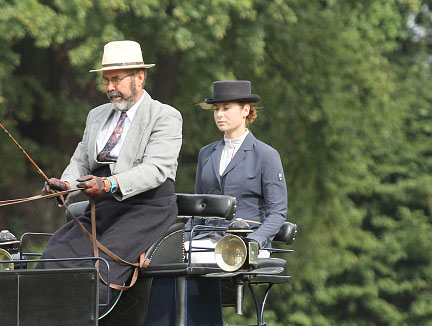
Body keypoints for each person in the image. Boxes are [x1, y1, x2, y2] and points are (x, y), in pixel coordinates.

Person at [40, 40, 182, 289]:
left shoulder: (165, 116)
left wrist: (108, 184)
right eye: (106, 81)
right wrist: (64, 185)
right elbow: (80, 161)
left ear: (139, 77)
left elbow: (155, 170)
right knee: (53, 257)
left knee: (99, 270)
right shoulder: (96, 116)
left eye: (116, 80)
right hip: (102, 209)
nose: (110, 88)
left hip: (146, 209)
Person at [188, 80, 287, 262]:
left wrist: (254, 242)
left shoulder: (266, 155)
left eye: (226, 108)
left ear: (245, 110)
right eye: (216, 109)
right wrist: (180, 240)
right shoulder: (206, 154)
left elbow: (278, 212)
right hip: (205, 239)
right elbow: (198, 208)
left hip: (246, 241)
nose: (219, 114)